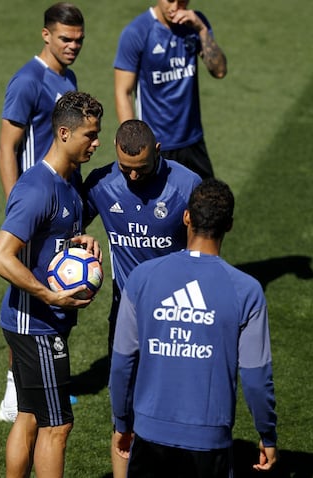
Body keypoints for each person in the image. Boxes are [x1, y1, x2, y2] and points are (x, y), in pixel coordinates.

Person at [109, 178, 279, 478]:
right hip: (209, 441)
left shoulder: (142, 277)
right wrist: (267, 434)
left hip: (149, 435)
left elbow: (123, 361)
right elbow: (255, 377)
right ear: (229, 225)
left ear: (186, 216)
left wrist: (122, 423)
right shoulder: (247, 290)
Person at [0, 91, 104, 478]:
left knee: (30, 416)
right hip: (36, 325)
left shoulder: (70, 181)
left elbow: (49, 240)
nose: (97, 142)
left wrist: (77, 242)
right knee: (57, 425)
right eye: (90, 135)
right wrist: (48, 294)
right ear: (65, 133)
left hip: (36, 322)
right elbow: (0, 257)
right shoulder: (38, 187)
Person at [82, 119, 201, 477]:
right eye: (125, 169)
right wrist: (80, 241)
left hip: (175, 317)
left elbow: (203, 255)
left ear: (159, 152)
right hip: (126, 316)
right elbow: (68, 226)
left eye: (142, 169)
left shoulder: (186, 185)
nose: (133, 177)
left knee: (175, 411)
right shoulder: (102, 184)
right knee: (124, 416)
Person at [0, 2, 85, 422]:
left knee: (45, 288)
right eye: (65, 39)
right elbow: (6, 146)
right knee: (27, 291)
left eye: (79, 40)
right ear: (46, 35)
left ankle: (35, 385)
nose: (73, 46)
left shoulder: (67, 78)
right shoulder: (27, 81)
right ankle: (15, 390)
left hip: (59, 200)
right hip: (37, 203)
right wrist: (17, 203)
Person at [114, 0, 227, 180]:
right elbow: (123, 92)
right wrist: (130, 142)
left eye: (181, 1)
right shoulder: (137, 32)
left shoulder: (195, 25)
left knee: (208, 205)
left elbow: (219, 71)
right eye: (170, 0)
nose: (175, 7)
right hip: (155, 147)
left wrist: (202, 30)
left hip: (193, 142)